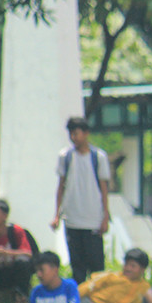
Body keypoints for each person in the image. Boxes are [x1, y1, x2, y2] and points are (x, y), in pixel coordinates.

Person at [51, 116, 110, 284]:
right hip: (72, 218)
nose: (73, 138)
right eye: (71, 134)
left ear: (86, 133)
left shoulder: (99, 157)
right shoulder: (65, 156)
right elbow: (61, 186)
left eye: (76, 133)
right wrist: (57, 214)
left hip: (93, 218)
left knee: (96, 265)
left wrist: (105, 216)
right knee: (77, 266)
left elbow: (104, 188)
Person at [78, 248, 151, 303]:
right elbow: (87, 287)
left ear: (143, 269)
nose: (127, 268)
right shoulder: (112, 277)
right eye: (126, 264)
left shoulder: (145, 289)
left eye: (133, 266)